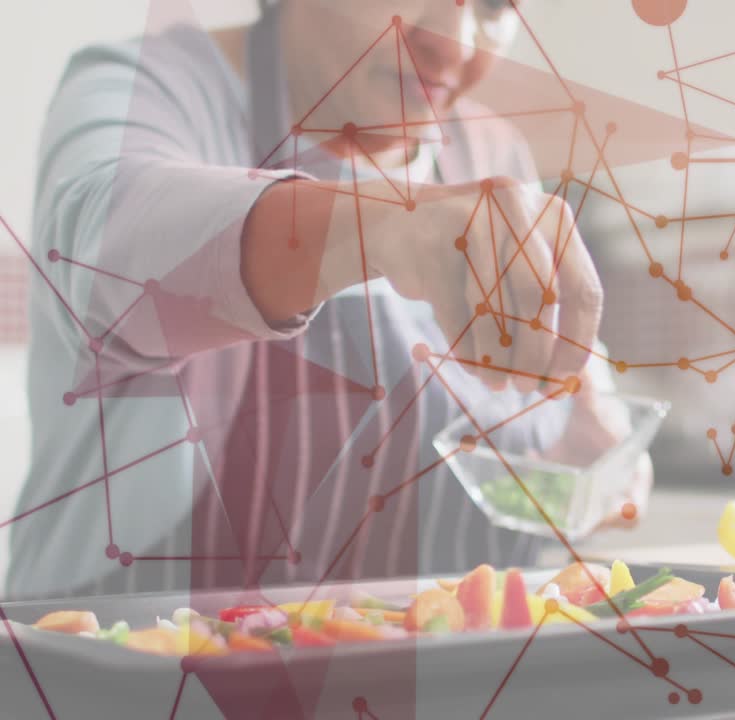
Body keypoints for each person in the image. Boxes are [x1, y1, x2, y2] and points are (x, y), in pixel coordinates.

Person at [6, 0, 651, 599]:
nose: (453, 45)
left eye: (494, 3)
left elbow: (563, 420)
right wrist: (384, 223)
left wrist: (592, 458)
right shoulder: (151, 84)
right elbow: (99, 254)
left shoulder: (492, 151)